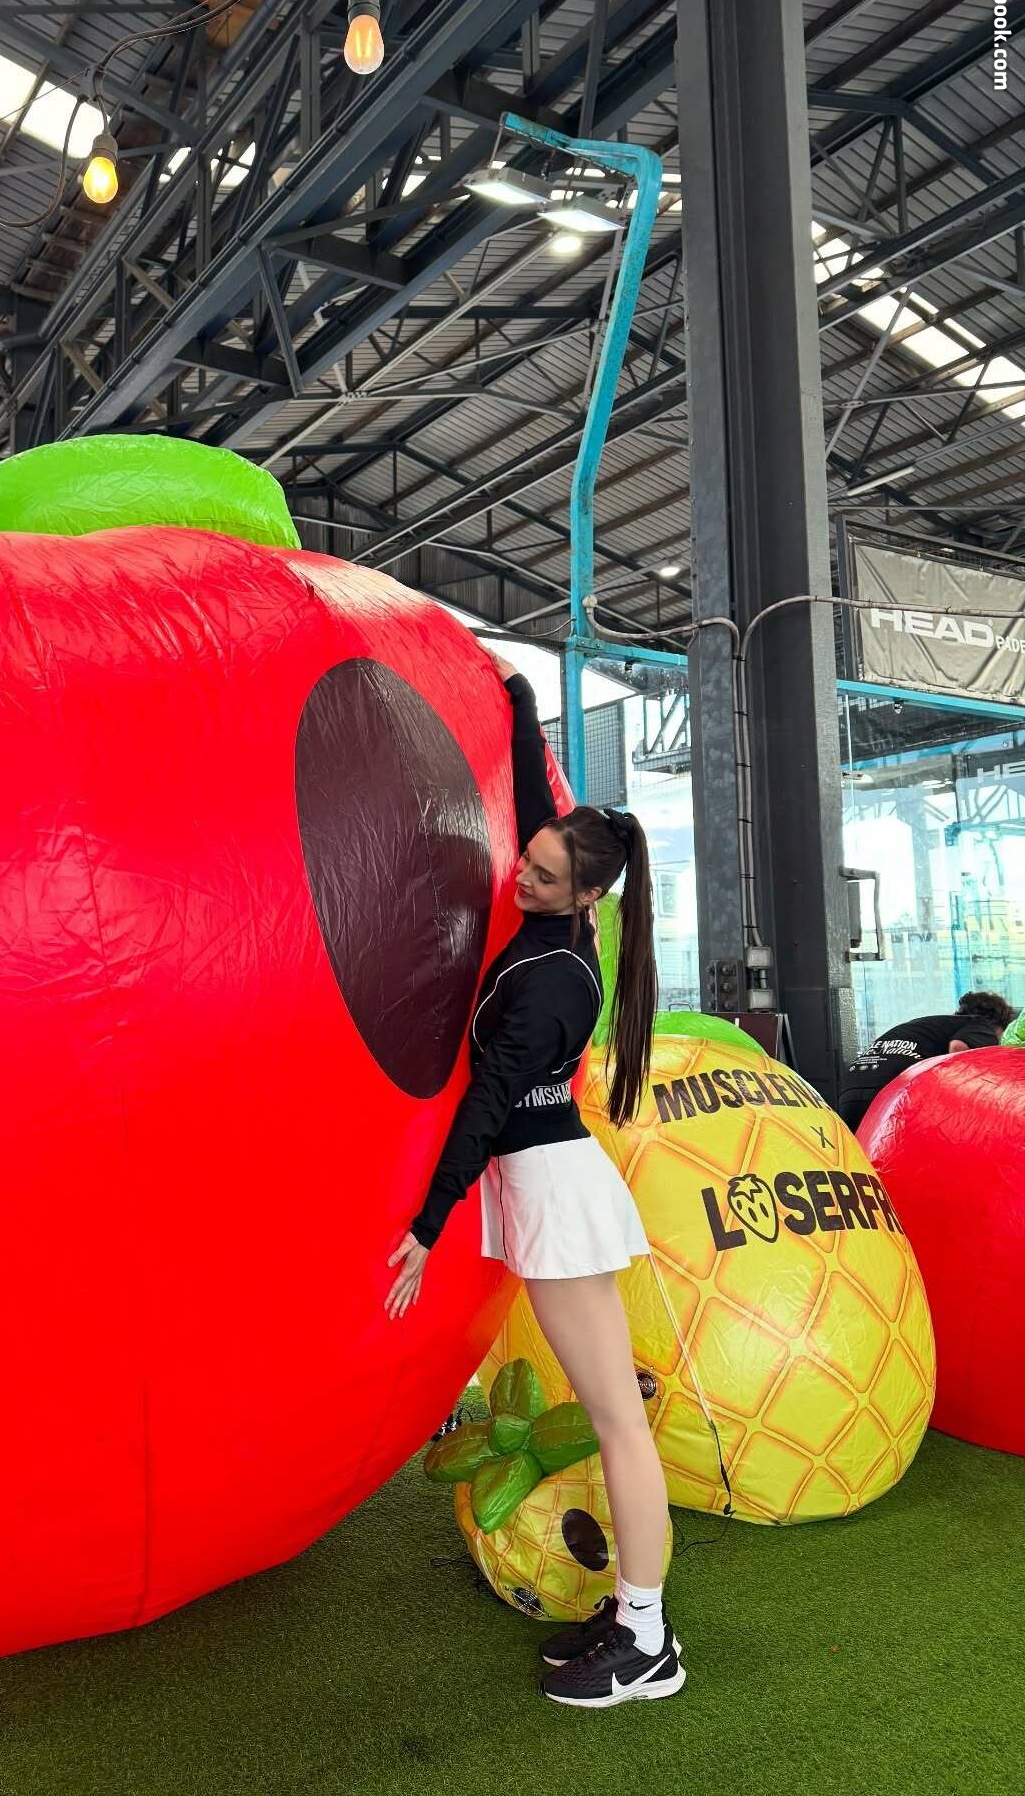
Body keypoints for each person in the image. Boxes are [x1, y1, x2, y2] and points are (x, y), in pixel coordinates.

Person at [385, 655, 680, 1710]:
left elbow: (489, 1103)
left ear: (588, 897)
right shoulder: (564, 917)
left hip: (555, 1192)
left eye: (547, 879)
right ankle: (636, 1620)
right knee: (613, 1416)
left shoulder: (555, 976)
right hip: (550, 1184)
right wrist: (515, 704)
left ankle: (647, 1641)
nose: (524, 879)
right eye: (534, 864)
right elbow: (532, 814)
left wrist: (427, 1224)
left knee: (618, 1423)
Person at [836, 991, 1015, 1131]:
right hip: (892, 1091)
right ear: (999, 1025)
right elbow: (958, 1048)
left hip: (851, 1087)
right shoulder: (981, 1025)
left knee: (862, 1155)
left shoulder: (928, 1025)